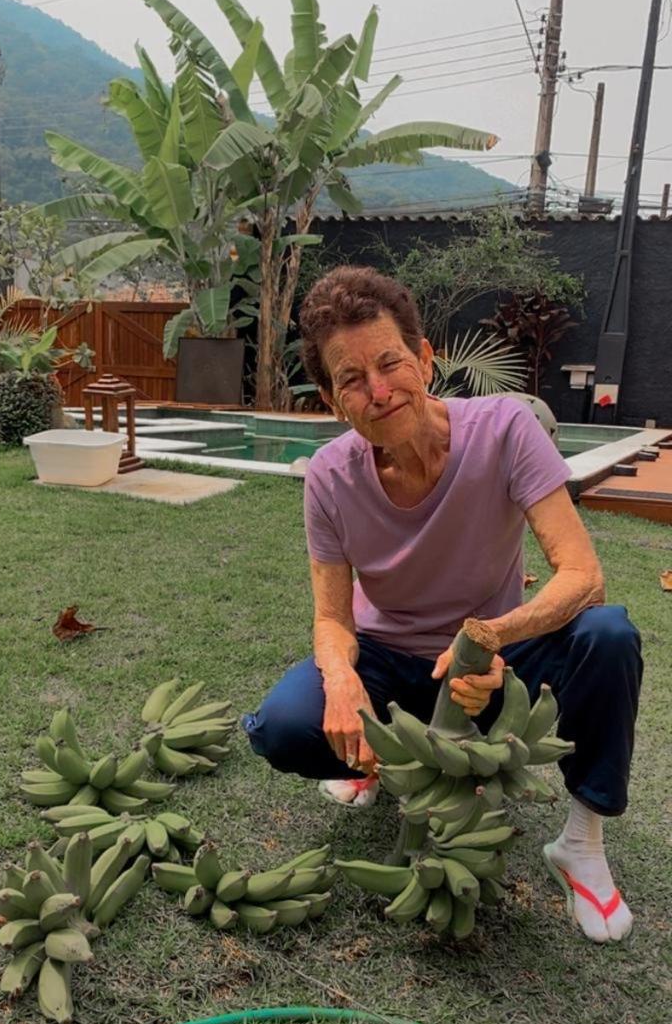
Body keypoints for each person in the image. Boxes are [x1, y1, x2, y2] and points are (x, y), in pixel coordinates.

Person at [242, 267, 642, 944]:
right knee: (282, 724)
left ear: (425, 358)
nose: (378, 390)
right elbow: (334, 618)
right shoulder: (330, 478)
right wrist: (342, 683)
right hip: (389, 663)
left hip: (493, 661)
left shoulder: (506, 430)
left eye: (391, 362)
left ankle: (580, 840)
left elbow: (581, 575)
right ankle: (383, 764)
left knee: (607, 635)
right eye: (351, 379)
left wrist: (490, 637)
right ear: (335, 401)